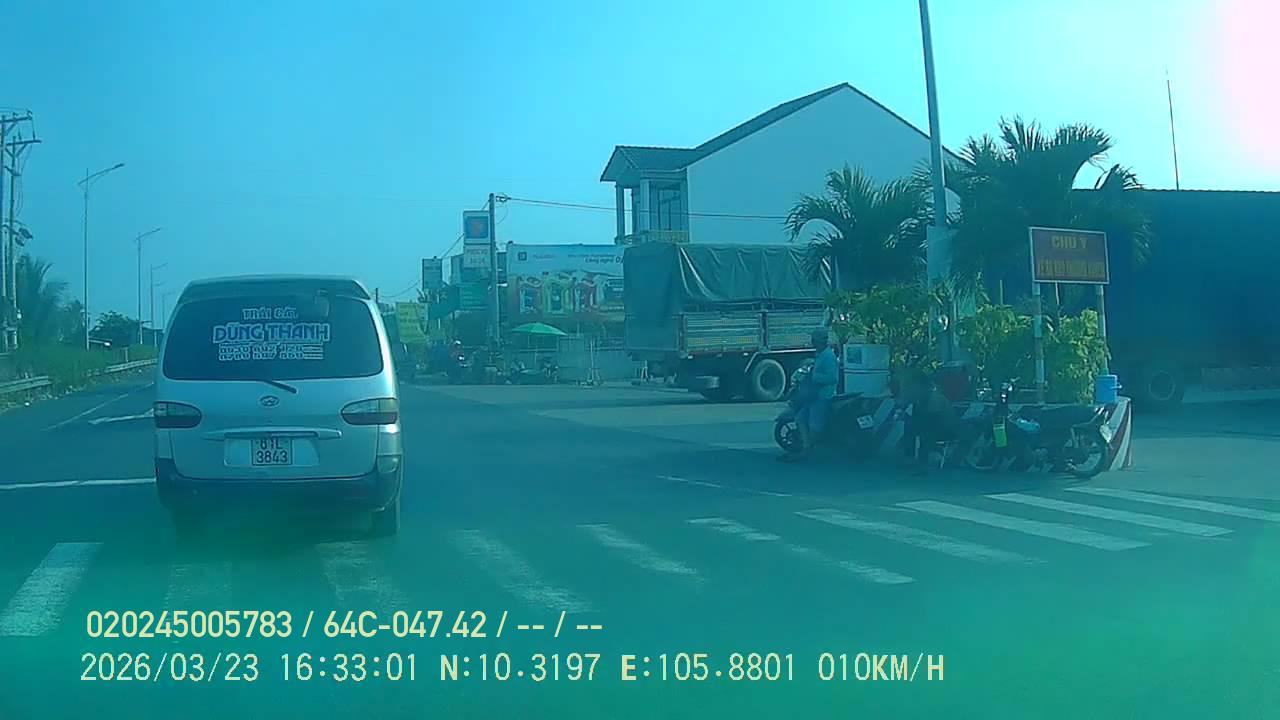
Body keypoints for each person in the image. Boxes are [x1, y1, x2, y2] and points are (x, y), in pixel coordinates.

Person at [786, 327, 839, 461]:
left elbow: (833, 378)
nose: (812, 342)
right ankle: (806, 447)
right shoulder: (820, 355)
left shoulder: (828, 357)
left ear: (821, 341)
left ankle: (809, 449)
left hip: (823, 395)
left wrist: (816, 377)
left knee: (815, 426)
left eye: (814, 340)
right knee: (800, 418)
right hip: (813, 395)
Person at [896, 368, 959, 474]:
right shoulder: (921, 398)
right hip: (934, 426)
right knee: (910, 428)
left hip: (945, 429)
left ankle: (921, 464)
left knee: (925, 435)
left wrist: (913, 421)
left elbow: (933, 420)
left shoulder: (934, 398)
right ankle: (910, 458)